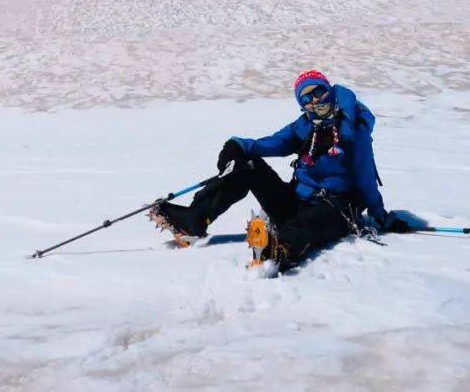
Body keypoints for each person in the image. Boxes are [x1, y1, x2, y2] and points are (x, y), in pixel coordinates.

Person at [151, 70, 407, 271]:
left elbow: (365, 179)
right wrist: (238, 145)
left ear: (329, 90)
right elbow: (274, 143)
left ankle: (278, 250)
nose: (314, 100)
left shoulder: (353, 130)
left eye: (318, 92)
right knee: (248, 166)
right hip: (296, 200)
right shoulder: (305, 126)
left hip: (335, 210)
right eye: (306, 97)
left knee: (307, 224)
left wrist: (381, 216)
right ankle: (195, 220)